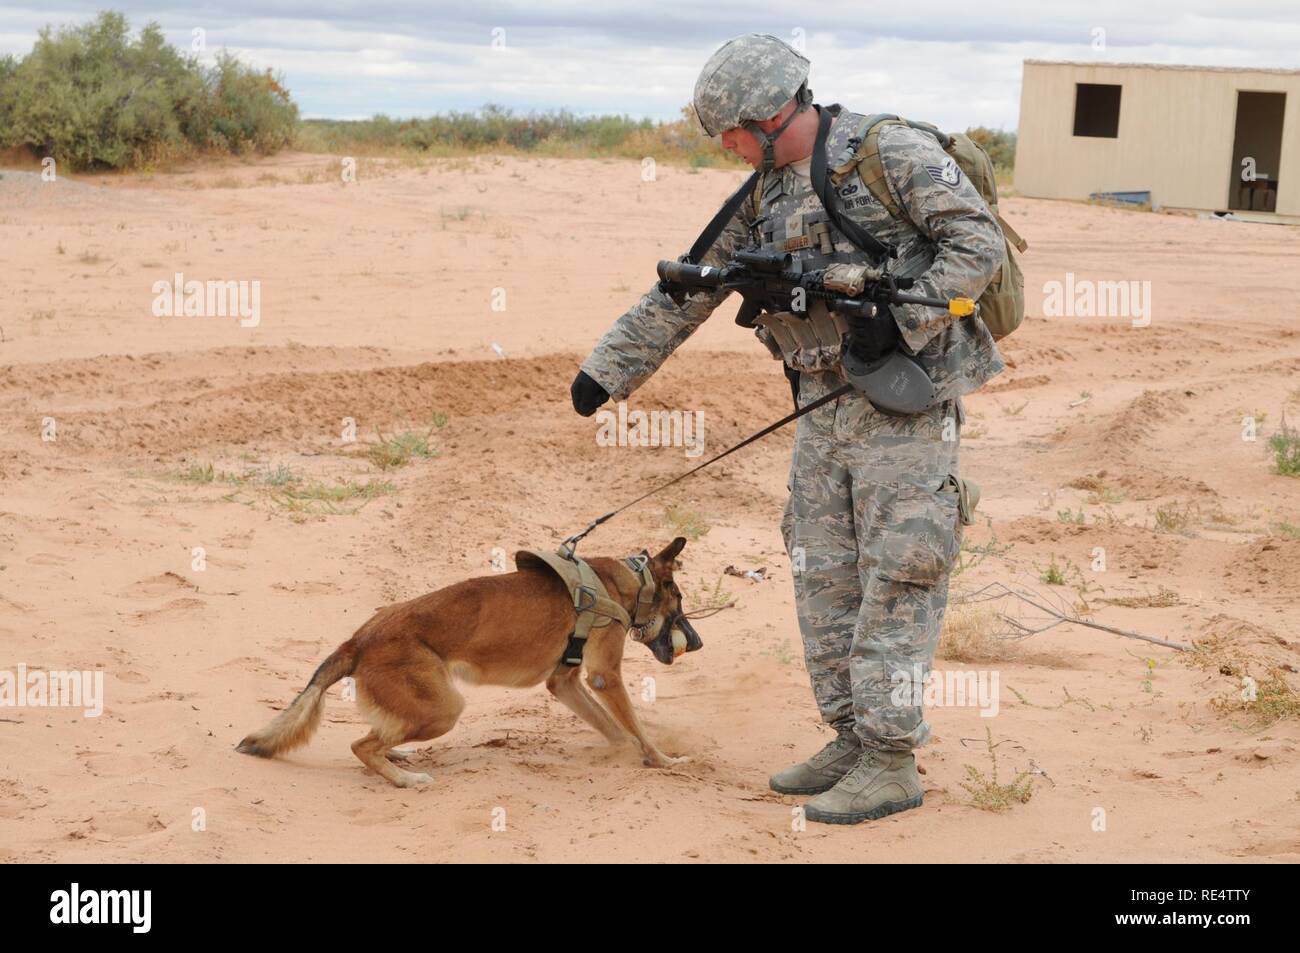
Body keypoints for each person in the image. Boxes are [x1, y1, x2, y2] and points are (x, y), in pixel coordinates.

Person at [570, 33, 1005, 824]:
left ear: (771, 113)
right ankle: (850, 734)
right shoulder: (764, 190)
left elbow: (978, 247)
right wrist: (608, 372)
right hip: (823, 406)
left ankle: (891, 757)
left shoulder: (890, 152)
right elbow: (688, 288)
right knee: (823, 571)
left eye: (731, 133)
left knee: (899, 573)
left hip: (905, 406)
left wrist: (898, 318)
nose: (726, 149)